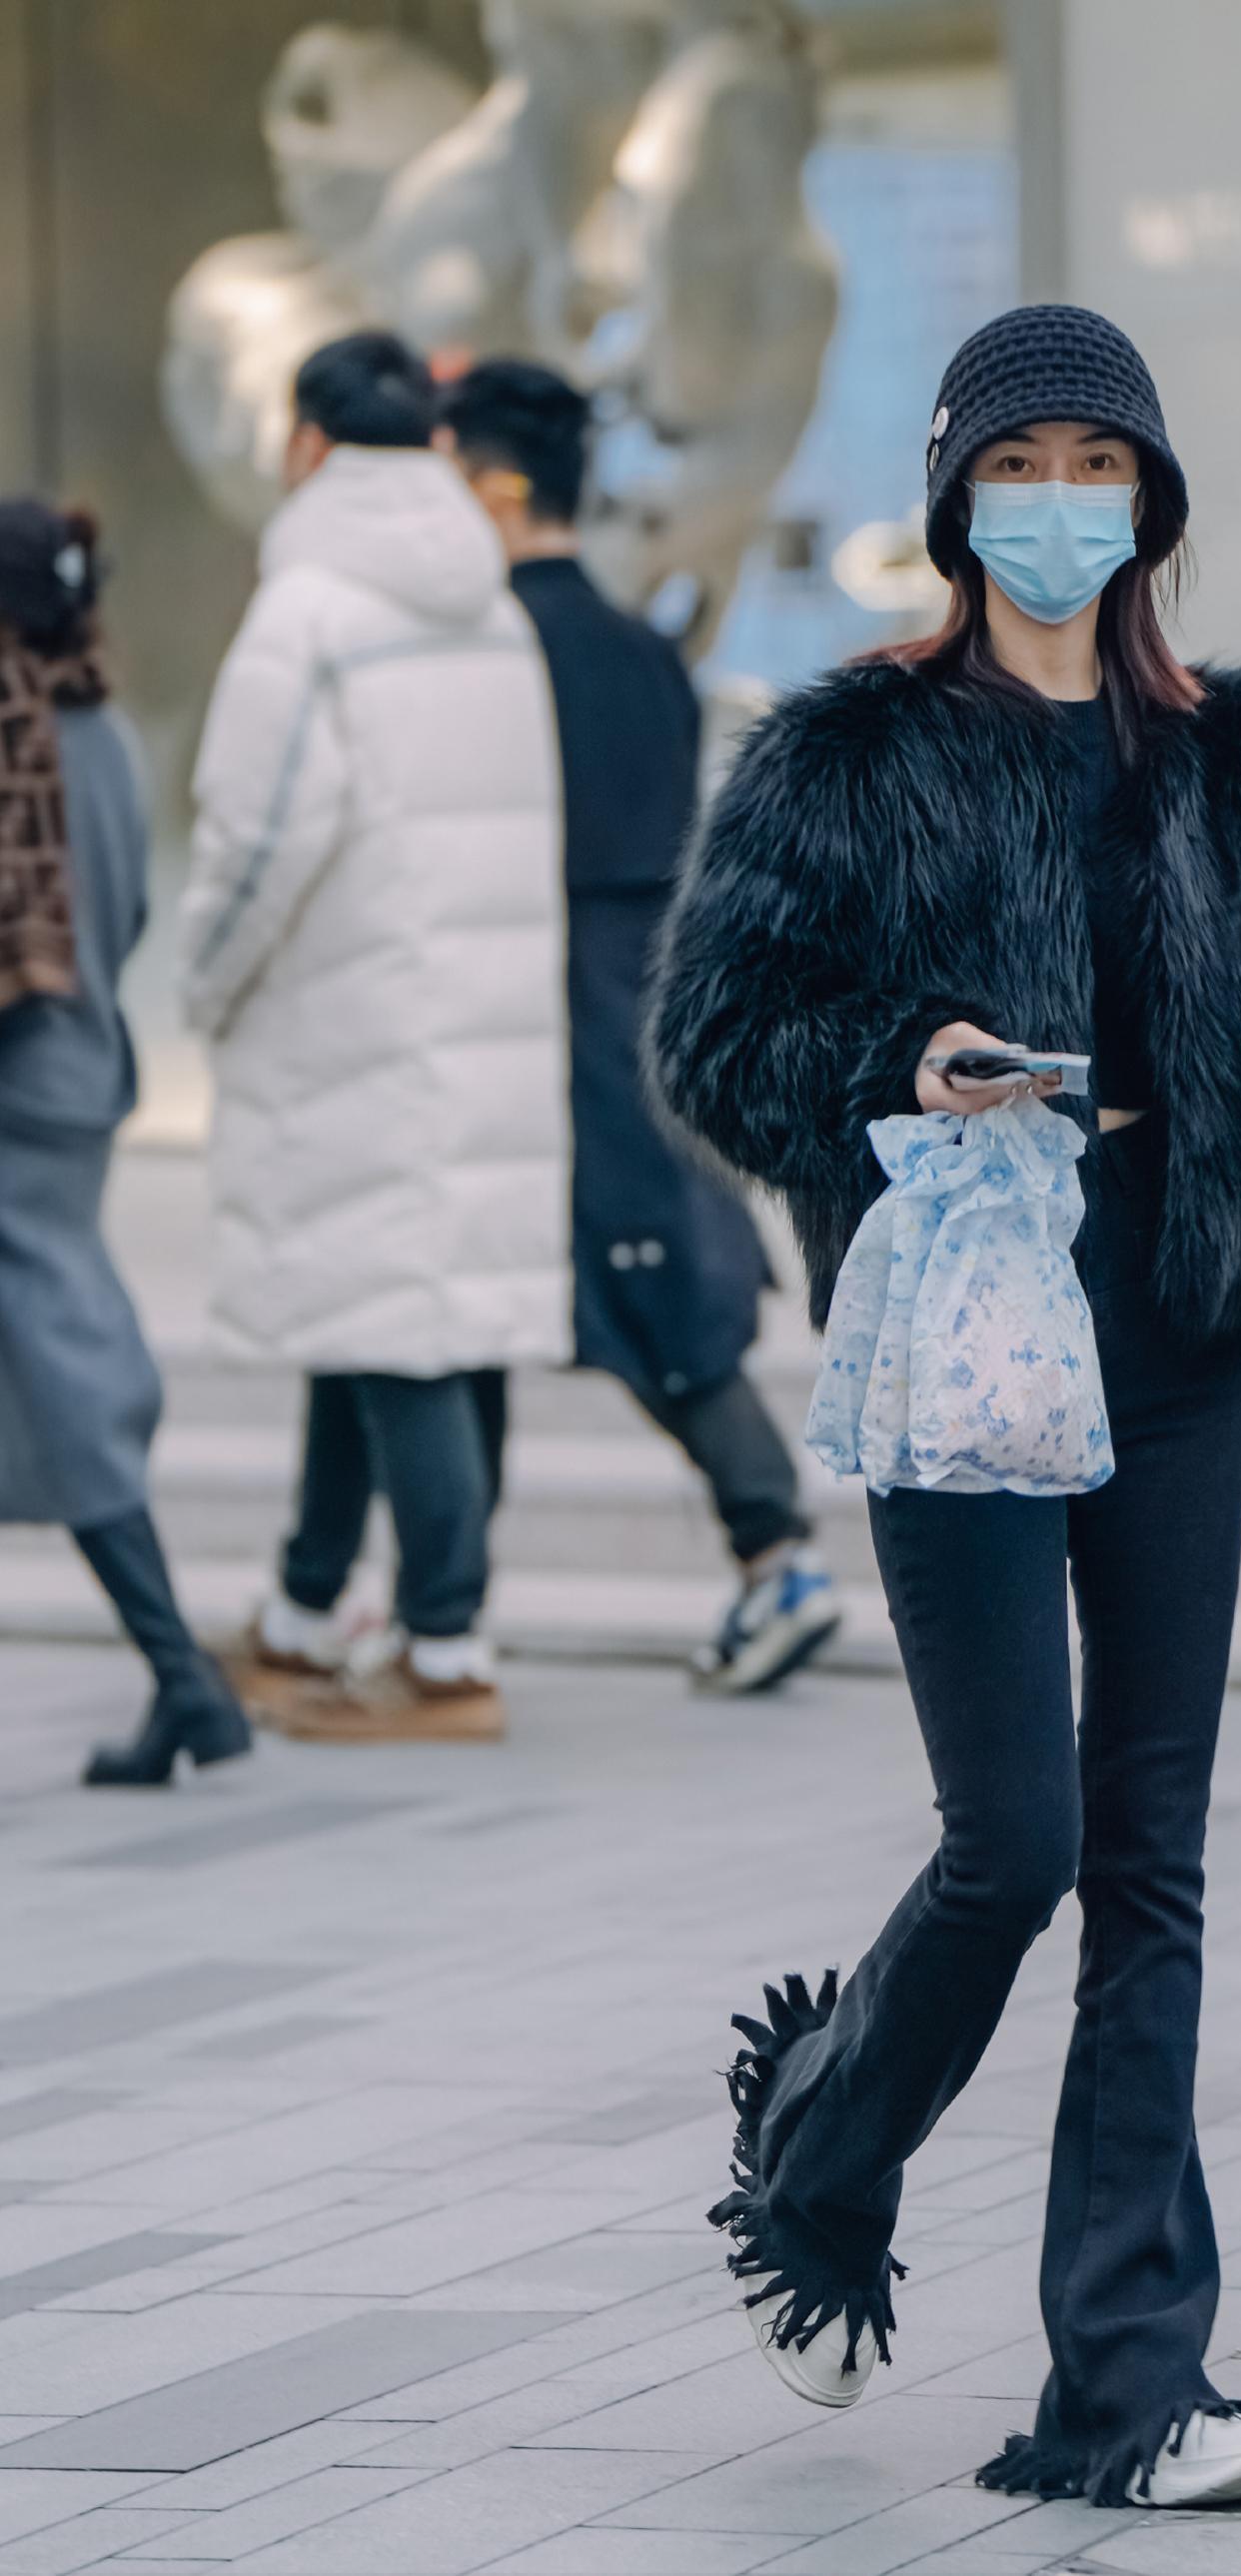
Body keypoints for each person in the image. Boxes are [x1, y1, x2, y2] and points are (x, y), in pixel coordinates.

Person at [646, 304, 1241, 2508]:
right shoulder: (843, 749)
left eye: (1092, 468)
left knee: (1154, 1861)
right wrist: (891, 1059)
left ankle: (1124, 2389)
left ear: (1150, 505)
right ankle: (822, 2151)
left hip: (1177, 1320)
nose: (1056, 507)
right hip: (959, 1326)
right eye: (1013, 470)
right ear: (954, 504)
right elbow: (715, 1038)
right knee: (1012, 1837)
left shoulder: (1232, 752)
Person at [181, 330, 567, 1744]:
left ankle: (446, 1654)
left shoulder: (311, 612)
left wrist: (204, 984)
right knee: (385, 1323)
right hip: (468, 1020)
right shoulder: (492, 606)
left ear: (307, 447)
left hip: (349, 1015)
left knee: (395, 1340)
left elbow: (259, 833)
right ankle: (301, 1613)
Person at [435, 358, 841, 1693]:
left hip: (535, 1018)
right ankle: (450, 1604)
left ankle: (764, 1552)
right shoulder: (641, 653)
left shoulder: (485, 655)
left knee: (524, 1306)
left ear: (491, 487)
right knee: (650, 1284)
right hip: (639, 1007)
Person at [0, 500, 252, 1788]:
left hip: (21, 1090)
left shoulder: (13, 728)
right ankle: (183, 1681)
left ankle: (184, 1676)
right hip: (77, 1069)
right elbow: (131, 905)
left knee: (60, 1368)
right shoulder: (92, 729)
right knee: (51, 1365)